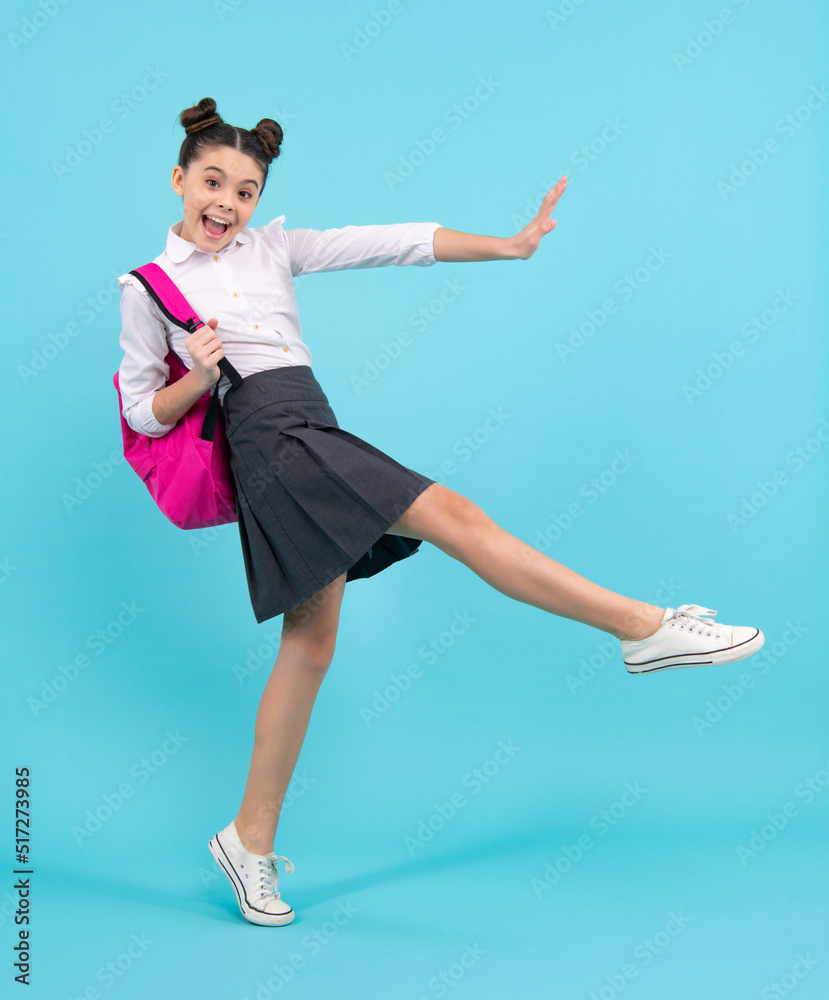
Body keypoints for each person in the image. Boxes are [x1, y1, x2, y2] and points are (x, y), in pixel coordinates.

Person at [116, 97, 765, 928]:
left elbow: (393, 242)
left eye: (244, 191)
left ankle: (248, 839)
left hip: (311, 426)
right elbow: (143, 410)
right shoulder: (149, 287)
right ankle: (641, 629)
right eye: (212, 182)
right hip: (272, 446)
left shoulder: (272, 247)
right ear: (178, 179)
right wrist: (196, 378)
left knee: (309, 647)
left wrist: (511, 244)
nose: (226, 203)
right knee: (453, 516)